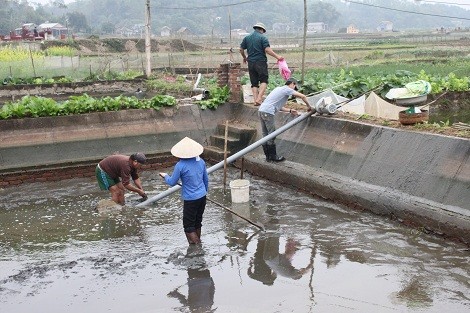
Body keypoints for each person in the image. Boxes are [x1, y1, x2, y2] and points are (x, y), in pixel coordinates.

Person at [160, 137, 209, 245]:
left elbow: (172, 182)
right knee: (197, 223)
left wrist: (165, 176)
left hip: (190, 199)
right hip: (202, 197)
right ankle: (196, 243)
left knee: (188, 226)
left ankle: (197, 247)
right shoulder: (201, 161)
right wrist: (204, 192)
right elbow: (206, 179)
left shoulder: (180, 165)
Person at [258, 77, 313, 162]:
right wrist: (309, 107)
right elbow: (303, 96)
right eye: (294, 86)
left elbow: (278, 106)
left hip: (261, 110)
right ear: (292, 84)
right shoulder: (287, 89)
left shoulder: (278, 89)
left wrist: (290, 110)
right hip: (268, 112)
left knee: (265, 134)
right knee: (272, 134)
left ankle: (268, 157)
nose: (294, 89)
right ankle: (273, 157)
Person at [239, 22, 283, 106]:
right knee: (264, 80)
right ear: (262, 30)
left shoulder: (247, 38)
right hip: (260, 62)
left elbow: (241, 49)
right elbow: (267, 50)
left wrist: (245, 57)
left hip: (250, 62)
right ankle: (259, 98)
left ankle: (256, 100)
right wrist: (277, 56)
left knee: (254, 82)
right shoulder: (263, 38)